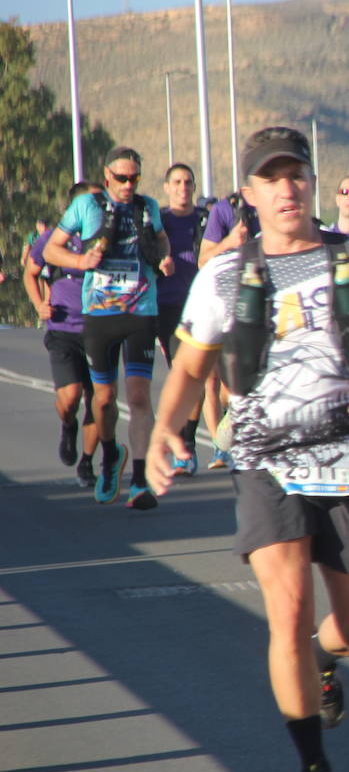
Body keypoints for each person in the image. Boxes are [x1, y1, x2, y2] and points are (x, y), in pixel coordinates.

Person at [147, 126, 349, 772]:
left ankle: (321, 659)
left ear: (311, 181)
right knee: (289, 608)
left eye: (296, 175)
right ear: (249, 194)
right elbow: (190, 367)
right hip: (263, 459)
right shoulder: (224, 274)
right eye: (270, 179)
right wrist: (163, 427)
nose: (287, 189)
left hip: (347, 455)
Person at [43, 146, 174, 508]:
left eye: (134, 178)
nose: (129, 185)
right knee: (102, 401)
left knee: (138, 397)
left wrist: (164, 258)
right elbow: (51, 251)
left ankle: (141, 482)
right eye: (122, 178)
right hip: (99, 316)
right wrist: (81, 260)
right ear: (107, 177)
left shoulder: (147, 208)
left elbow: (161, 238)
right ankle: (112, 453)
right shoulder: (86, 207)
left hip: (140, 312)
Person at [22, 184, 100, 488]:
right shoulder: (53, 239)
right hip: (63, 327)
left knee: (99, 399)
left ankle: (87, 462)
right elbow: (31, 272)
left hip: (99, 327)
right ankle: (68, 425)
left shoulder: (107, 239)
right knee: (70, 397)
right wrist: (38, 304)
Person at [197, 189, 260, 468]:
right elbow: (202, 260)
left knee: (234, 386)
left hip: (253, 306)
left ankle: (235, 422)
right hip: (220, 304)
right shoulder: (223, 211)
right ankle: (219, 448)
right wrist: (230, 242)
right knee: (211, 381)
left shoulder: (273, 209)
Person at [158, 164, 210, 475]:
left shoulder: (204, 219)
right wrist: (158, 264)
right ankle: (179, 443)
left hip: (199, 305)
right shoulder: (158, 221)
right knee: (181, 373)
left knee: (194, 375)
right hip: (165, 307)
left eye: (188, 182)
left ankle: (186, 444)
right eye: (176, 182)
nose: (183, 187)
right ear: (166, 187)